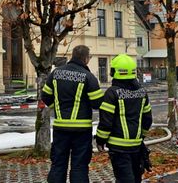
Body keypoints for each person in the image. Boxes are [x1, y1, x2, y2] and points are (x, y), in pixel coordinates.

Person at [41, 45, 104, 183]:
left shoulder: (56, 73)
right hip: (82, 130)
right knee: (79, 166)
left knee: (58, 164)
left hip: (60, 129)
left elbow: (45, 96)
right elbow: (97, 103)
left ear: (73, 56)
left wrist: (56, 108)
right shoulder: (89, 77)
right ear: (86, 59)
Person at [95, 54, 153, 183]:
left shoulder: (112, 93)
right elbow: (147, 119)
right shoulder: (142, 92)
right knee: (136, 177)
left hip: (118, 147)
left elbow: (106, 122)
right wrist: (141, 136)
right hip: (137, 145)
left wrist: (100, 140)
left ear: (113, 72)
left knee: (124, 179)